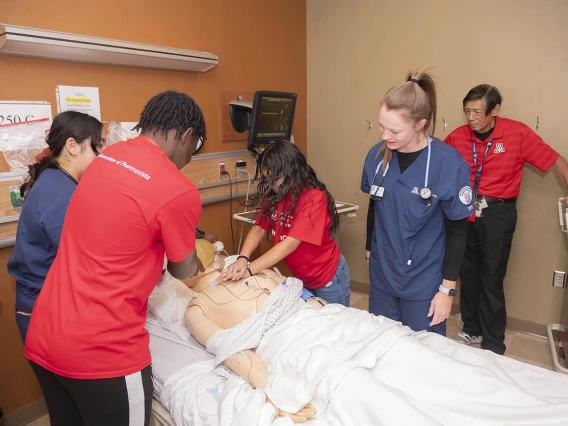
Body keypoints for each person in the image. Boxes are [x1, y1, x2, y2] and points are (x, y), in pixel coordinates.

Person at [178, 262, 568, 425]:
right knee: (373, 397)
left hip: (337, 323)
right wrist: (278, 393)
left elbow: (305, 298)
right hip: (299, 349)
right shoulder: (195, 308)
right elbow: (234, 354)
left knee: (427, 362)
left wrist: (251, 264)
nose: (201, 254)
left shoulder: (248, 266)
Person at [24, 91, 207, 426]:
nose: (190, 158)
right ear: (185, 135)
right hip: (102, 353)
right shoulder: (178, 189)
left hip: (46, 333)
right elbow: (184, 270)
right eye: (195, 147)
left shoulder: (105, 157)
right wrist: (198, 261)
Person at [445, 84, 568, 354]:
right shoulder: (457, 137)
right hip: (464, 214)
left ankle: (493, 341)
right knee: (468, 274)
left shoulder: (517, 133)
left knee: (491, 277)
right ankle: (472, 330)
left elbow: (556, 161)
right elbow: (436, 167)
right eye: (467, 111)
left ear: (495, 110)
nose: (471, 117)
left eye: (477, 111)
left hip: (498, 214)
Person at [361, 69, 473, 336]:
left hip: (425, 279)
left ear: (420, 124)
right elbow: (374, 206)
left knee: (423, 356)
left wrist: (447, 290)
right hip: (383, 272)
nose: (384, 136)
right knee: (382, 345)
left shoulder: (448, 164)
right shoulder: (377, 158)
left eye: (394, 130)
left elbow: (458, 232)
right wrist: (369, 252)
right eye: (381, 126)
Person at [7, 111, 105, 343]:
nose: (101, 156)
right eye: (97, 147)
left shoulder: (54, 179)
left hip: (41, 299)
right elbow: (83, 258)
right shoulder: (61, 193)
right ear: (72, 146)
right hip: (44, 305)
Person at [219, 140, 351, 306]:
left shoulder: (314, 198)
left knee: (336, 325)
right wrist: (242, 259)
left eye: (275, 179)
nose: (271, 185)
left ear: (291, 172)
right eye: (267, 178)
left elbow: (290, 244)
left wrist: (250, 270)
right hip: (303, 276)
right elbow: (259, 228)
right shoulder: (276, 195)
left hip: (329, 277)